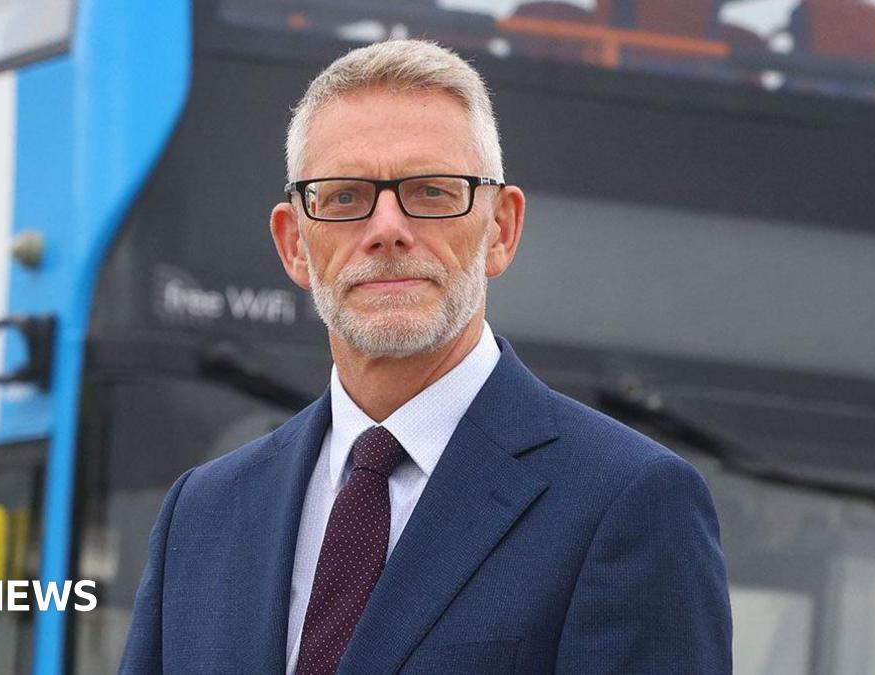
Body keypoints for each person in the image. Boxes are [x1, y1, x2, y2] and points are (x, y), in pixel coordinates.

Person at [119, 39, 732, 674]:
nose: (386, 228)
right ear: (294, 244)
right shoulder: (204, 511)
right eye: (345, 197)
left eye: (433, 191)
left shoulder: (629, 499)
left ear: (500, 230)